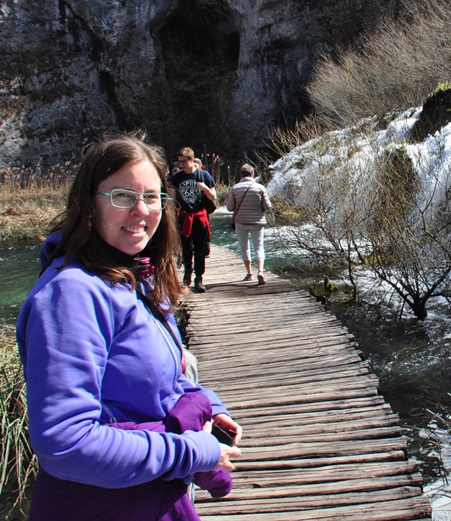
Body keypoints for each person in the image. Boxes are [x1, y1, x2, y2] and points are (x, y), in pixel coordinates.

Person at [16, 133, 242, 520]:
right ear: (89, 204)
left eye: (152, 197)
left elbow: (164, 375)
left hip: (150, 496)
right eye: (122, 196)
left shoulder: (137, 277)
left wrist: (210, 406)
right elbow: (66, 443)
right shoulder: (71, 294)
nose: (141, 210)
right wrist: (195, 451)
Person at [169, 146, 217, 292]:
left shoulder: (204, 176)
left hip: (199, 217)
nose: (181, 165)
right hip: (184, 218)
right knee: (186, 249)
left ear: (191, 160)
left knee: (200, 250)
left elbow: (214, 197)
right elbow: (171, 199)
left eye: (183, 161)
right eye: (179, 162)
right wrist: (171, 215)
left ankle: (199, 279)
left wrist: (205, 189)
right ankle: (187, 275)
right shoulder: (176, 177)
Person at [226, 163, 271, 284]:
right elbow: (267, 206)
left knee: (244, 247)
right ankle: (260, 271)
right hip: (257, 221)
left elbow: (230, 208)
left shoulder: (235, 188)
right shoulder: (260, 187)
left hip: (241, 221)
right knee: (259, 246)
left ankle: (249, 273)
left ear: (241, 175)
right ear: (253, 174)